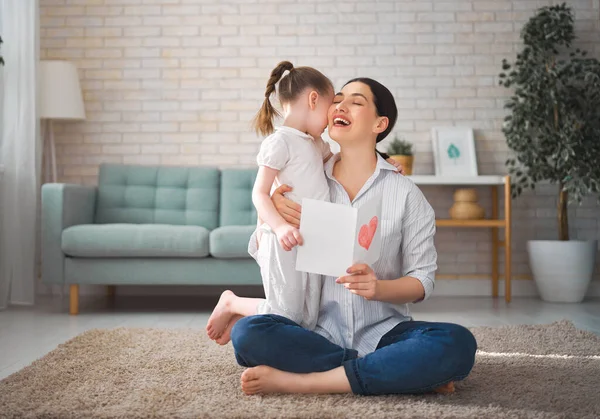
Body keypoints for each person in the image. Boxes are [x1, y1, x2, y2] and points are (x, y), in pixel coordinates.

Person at [227, 77, 478, 397]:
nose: (341, 106)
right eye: (338, 100)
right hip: (315, 333)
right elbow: (265, 246)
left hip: (385, 331)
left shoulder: (405, 194)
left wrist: (379, 288)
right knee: (248, 333)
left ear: (379, 123)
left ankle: (307, 382)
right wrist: (269, 212)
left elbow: (422, 280)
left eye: (356, 102)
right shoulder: (307, 181)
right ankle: (392, 371)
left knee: (457, 343)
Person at [206, 64, 403, 345]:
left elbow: (344, 159)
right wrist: (280, 226)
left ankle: (258, 321)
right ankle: (233, 303)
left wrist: (385, 161)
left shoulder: (314, 143)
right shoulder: (279, 142)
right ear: (313, 100)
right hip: (282, 239)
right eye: (330, 104)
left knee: (308, 317)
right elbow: (259, 194)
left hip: (310, 239)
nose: (331, 115)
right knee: (284, 311)